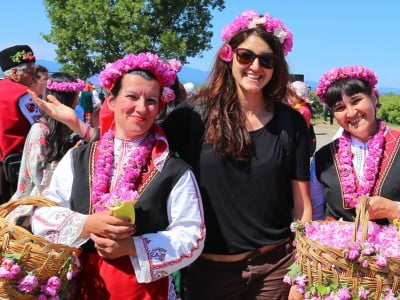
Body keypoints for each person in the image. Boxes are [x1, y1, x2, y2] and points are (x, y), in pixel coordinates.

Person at [162, 10, 312, 299]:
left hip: (276, 269)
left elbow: (301, 204)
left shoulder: (290, 122)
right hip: (209, 274)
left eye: (266, 60)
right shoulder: (194, 114)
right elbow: (145, 149)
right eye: (246, 56)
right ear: (229, 56)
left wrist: (301, 273)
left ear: (276, 67)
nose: (256, 66)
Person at [30, 52, 205, 299]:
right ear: (111, 100)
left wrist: (132, 246)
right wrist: (86, 224)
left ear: (160, 108)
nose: (141, 108)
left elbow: (192, 236)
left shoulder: (173, 170)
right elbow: (42, 213)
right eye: (132, 96)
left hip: (144, 290)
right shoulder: (78, 158)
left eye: (151, 101)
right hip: (83, 285)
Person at [310, 65, 400, 223]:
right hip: (336, 247)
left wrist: (394, 209)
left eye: (356, 100)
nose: (351, 113)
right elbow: (315, 212)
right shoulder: (323, 157)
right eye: (340, 107)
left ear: (373, 98)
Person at [11, 72, 84, 200]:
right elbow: (37, 175)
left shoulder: (71, 127)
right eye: (75, 96)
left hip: (64, 194)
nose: (77, 101)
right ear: (64, 99)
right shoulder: (40, 130)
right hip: (39, 199)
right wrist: (72, 155)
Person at [0, 45, 40, 202]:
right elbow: (41, 127)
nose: (35, 76)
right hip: (14, 169)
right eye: (30, 71)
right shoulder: (23, 94)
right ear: (15, 73)